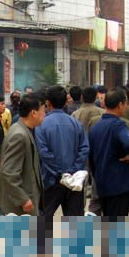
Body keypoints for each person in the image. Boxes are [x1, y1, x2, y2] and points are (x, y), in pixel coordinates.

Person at [35, 86, 89, 217]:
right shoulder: (76, 123)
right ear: (66, 102)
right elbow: (84, 149)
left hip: (50, 180)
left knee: (44, 218)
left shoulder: (41, 125)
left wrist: (59, 173)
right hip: (73, 180)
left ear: (48, 103)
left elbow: (44, 152)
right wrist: (72, 171)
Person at [88, 88, 129, 217]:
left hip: (102, 182)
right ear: (120, 104)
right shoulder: (118, 125)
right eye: (126, 103)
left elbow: (91, 156)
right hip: (119, 183)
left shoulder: (95, 127)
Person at [0, 94, 45, 216]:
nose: (45, 115)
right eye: (43, 111)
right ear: (33, 113)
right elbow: (9, 172)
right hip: (20, 205)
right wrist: (23, 199)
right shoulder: (20, 135)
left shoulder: (21, 129)